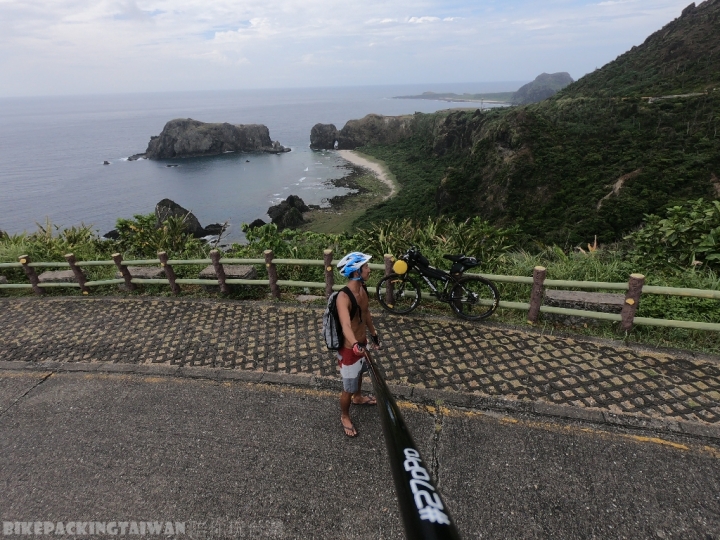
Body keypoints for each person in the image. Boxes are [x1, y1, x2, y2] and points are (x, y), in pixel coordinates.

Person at [335, 251, 382, 437]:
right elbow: (346, 325)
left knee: (361, 373)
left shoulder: (362, 289)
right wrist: (355, 343)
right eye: (365, 267)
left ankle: (358, 397)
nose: (369, 270)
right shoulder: (343, 298)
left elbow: (366, 313)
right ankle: (344, 415)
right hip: (350, 349)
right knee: (348, 386)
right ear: (355, 272)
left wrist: (374, 334)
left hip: (362, 343)